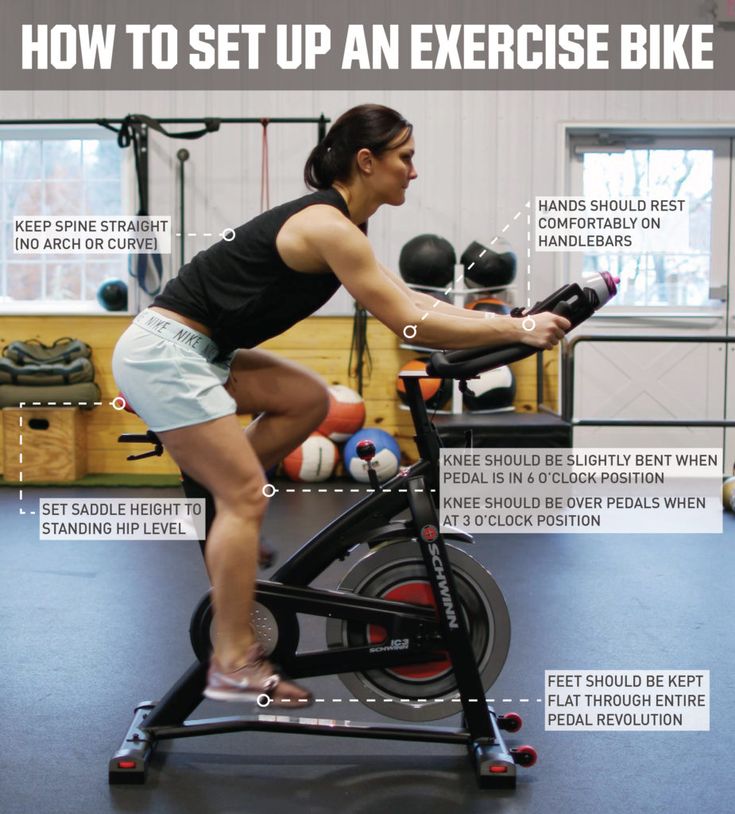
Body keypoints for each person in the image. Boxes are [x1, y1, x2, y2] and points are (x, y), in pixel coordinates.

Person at [112, 103, 569, 707]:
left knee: (305, 400)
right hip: (165, 353)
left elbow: (410, 299)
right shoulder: (327, 224)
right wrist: (516, 333)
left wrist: (513, 320)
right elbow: (408, 322)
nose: (413, 171)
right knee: (248, 493)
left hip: (204, 352)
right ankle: (229, 659)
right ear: (366, 160)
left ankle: (222, 498)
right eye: (404, 157)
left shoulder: (345, 227)